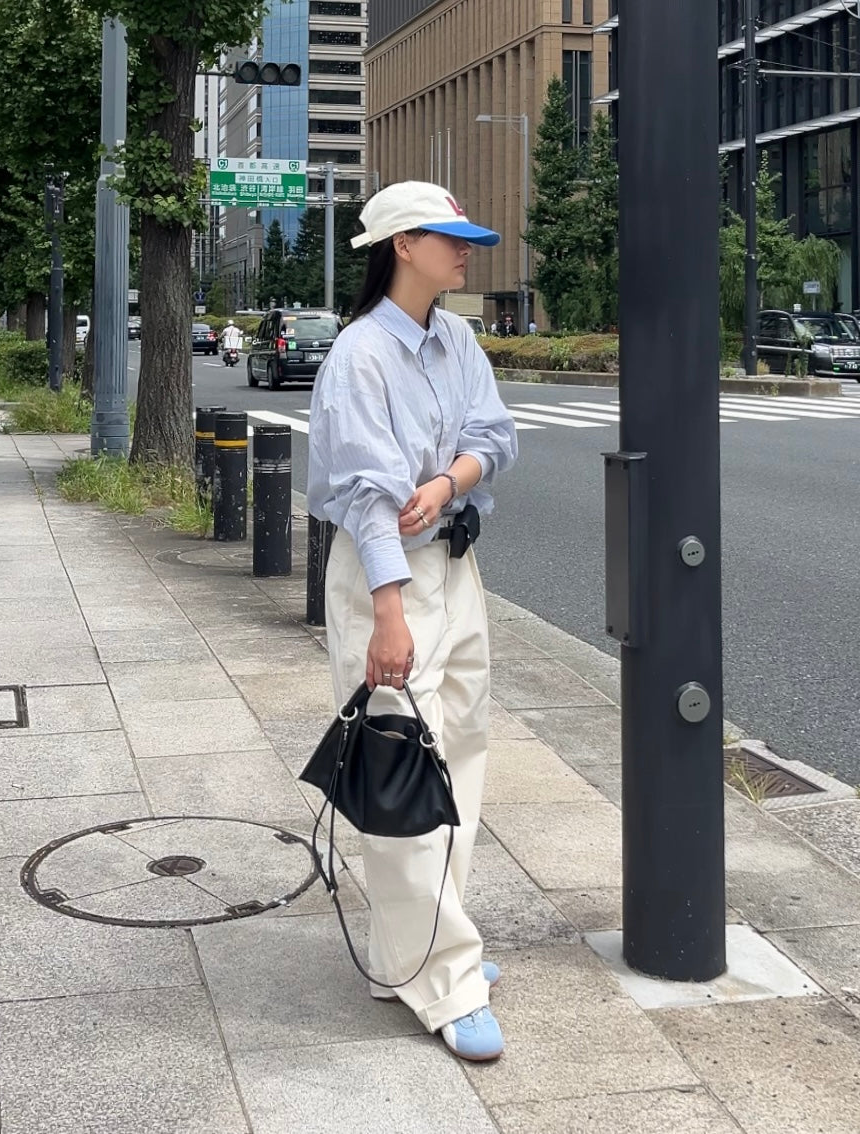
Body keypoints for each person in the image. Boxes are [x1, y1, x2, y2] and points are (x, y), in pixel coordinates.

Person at [307, 181, 518, 1063]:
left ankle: (419, 948)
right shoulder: (360, 353)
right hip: (384, 578)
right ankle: (444, 978)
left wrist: (447, 481)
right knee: (400, 768)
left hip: (454, 565)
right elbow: (364, 494)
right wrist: (388, 615)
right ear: (401, 244)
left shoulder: (455, 338)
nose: (465, 249)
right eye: (448, 236)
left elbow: (495, 435)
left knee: (459, 749)